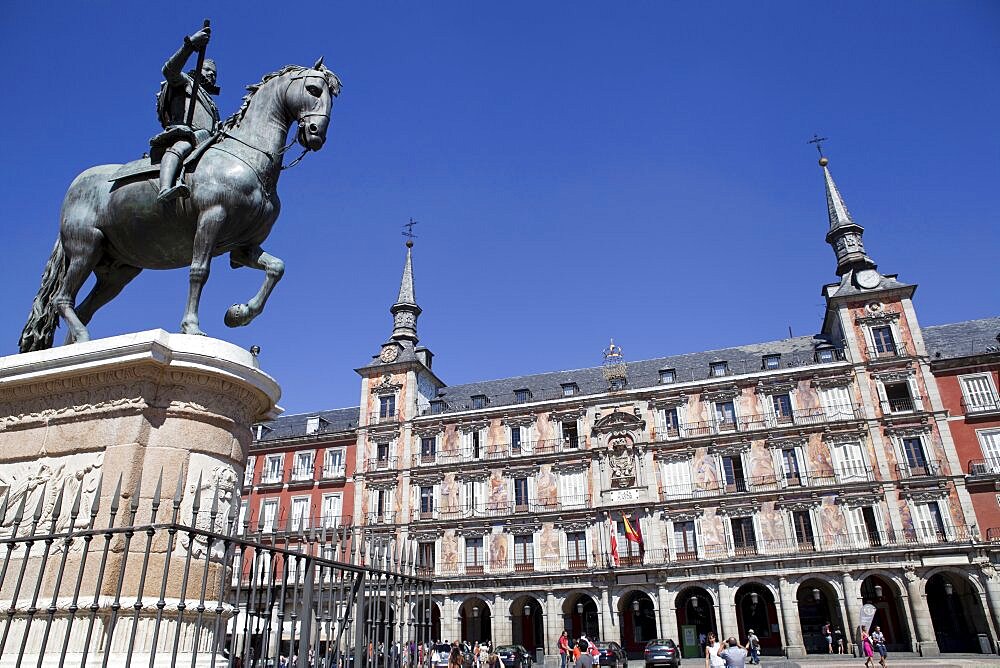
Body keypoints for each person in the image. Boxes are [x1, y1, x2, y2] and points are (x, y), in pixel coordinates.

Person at [150, 25, 222, 203]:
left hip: (206, 141)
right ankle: (165, 188)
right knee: (182, 146)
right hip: (187, 133)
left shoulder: (212, 105)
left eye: (214, 73)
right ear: (198, 70)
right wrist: (190, 45)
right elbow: (169, 71)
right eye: (207, 70)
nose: (211, 75)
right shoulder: (186, 81)